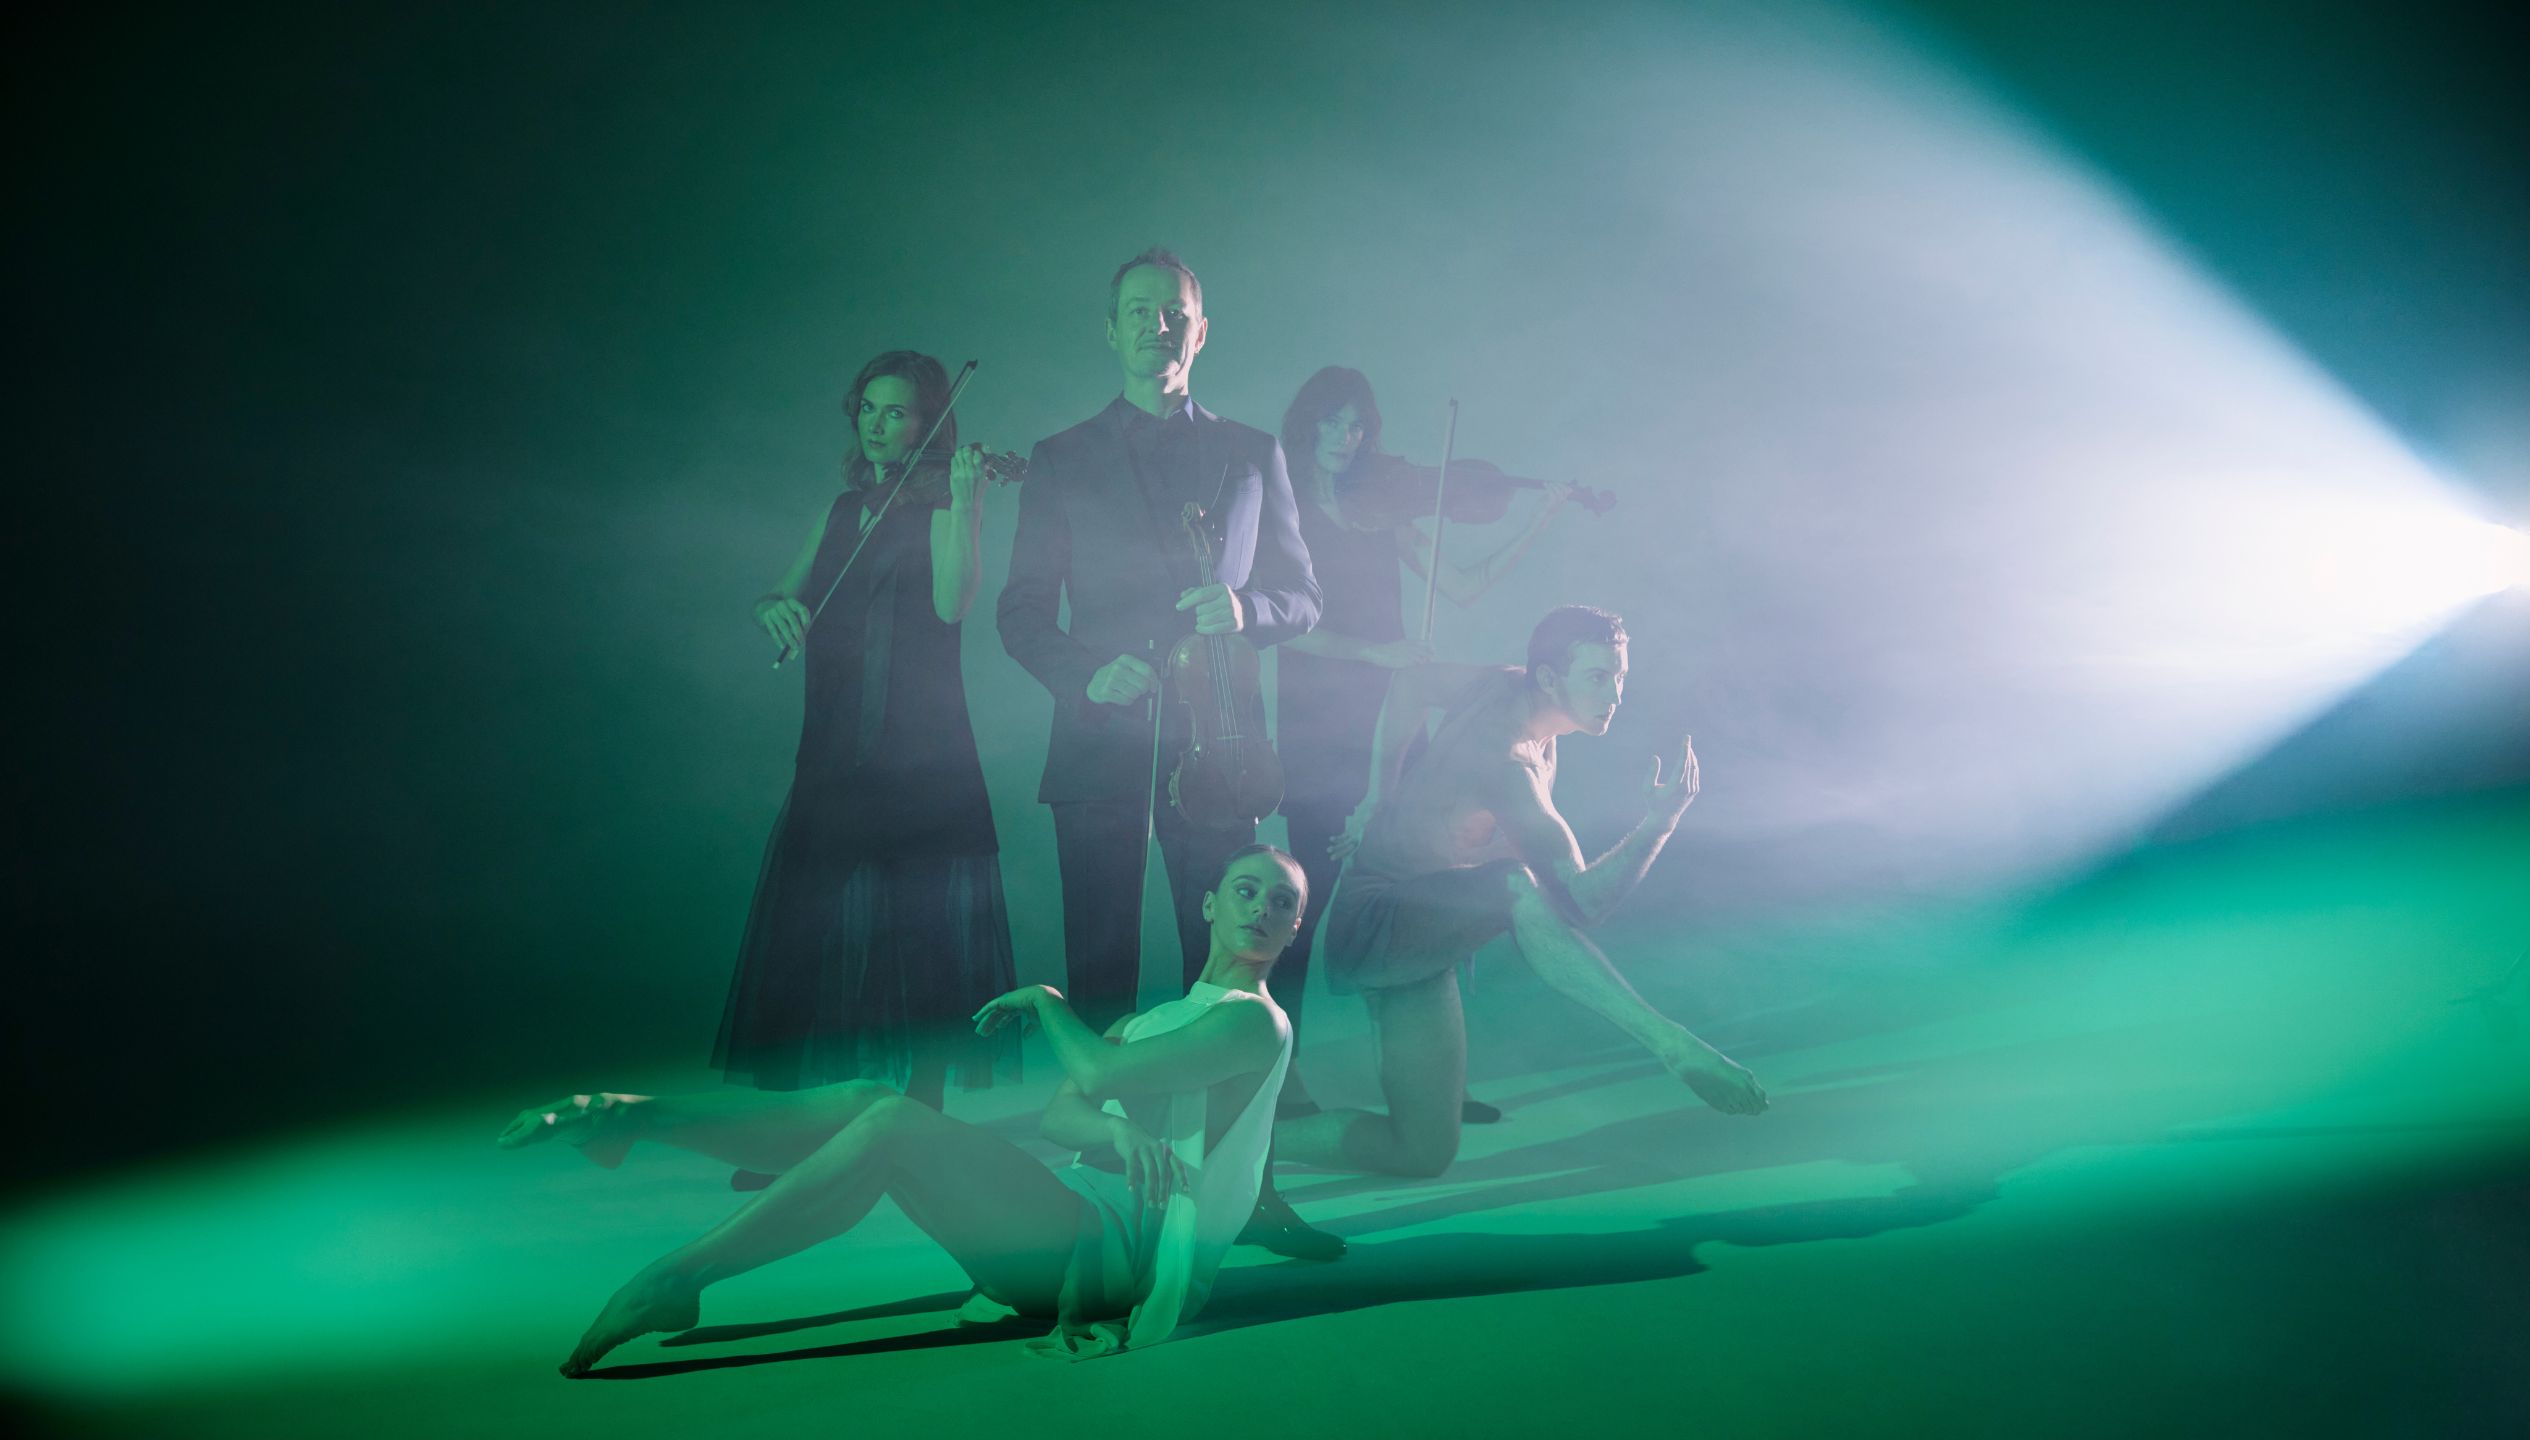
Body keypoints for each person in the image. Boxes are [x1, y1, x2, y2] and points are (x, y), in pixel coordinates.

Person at [500, 846, 1305, 1373]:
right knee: (871, 1101)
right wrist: (1117, 1127)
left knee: (889, 1125)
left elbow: (1092, 1065)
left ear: (1294, 929)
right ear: (1207, 905)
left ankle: (677, 1274)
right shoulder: (1156, 1019)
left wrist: (1048, 1001)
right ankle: (632, 1117)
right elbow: (1065, 1113)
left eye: (1282, 904)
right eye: (1246, 890)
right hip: (1068, 1212)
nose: (1261, 910)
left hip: (1115, 1261)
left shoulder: (1254, 1021)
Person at [996, 248, 1330, 1258]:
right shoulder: (1058, 456)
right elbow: (1018, 613)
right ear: (1110, 330)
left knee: (1230, 981)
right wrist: (1080, 673)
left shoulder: (1250, 450)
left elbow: (1303, 598)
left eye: (1173, 312)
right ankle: (1112, 1194)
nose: (1155, 327)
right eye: (1136, 312)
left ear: (1200, 329)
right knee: (1099, 975)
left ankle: (1250, 1188)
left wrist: (1245, 606)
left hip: (1216, 745)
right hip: (1100, 741)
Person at [1276, 606, 1768, 1180]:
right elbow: (1580, 905)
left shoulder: (1503, 684)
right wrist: (1659, 824)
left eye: (1620, 676)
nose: (1614, 694)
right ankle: (1670, 1042)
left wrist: (1376, 795)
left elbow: (1410, 681)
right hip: (1381, 923)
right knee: (1515, 885)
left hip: (1428, 928)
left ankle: (1248, 1142)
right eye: (1597, 677)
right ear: (1548, 679)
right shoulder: (1509, 767)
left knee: (1421, 1152)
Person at [714, 351, 1016, 1142]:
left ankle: (920, 1126)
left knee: (923, 937)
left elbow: (954, 605)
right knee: (810, 936)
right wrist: (771, 608)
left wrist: (965, 497)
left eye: (901, 413)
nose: (883, 426)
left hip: (923, 753)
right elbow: (781, 592)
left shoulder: (947, 502)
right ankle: (796, 1136)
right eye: (871, 411)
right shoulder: (842, 509)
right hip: (834, 747)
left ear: (929, 424)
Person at [1272, 366, 1574, 1118]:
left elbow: (1465, 585)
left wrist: (1542, 520)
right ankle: (1281, 1075)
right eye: (1332, 424)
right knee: (1302, 894)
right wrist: (1376, 652)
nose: (1346, 440)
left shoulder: (1381, 512)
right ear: (1307, 426)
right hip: (1318, 719)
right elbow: (1279, 627)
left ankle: (1431, 1073)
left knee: (1419, 890)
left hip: (1396, 714)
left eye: (1358, 427)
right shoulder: (1282, 510)